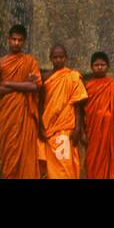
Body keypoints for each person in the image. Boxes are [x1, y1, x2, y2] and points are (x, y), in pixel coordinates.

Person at [0, 25, 42, 178]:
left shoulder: (30, 61)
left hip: (25, 114)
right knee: (9, 152)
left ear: (24, 42)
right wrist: (22, 85)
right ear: (8, 40)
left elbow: (34, 86)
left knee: (26, 153)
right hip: (7, 114)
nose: (16, 43)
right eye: (13, 39)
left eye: (20, 40)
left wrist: (8, 83)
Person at [39, 44, 87, 179]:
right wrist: (40, 127)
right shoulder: (45, 78)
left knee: (66, 165)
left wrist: (78, 127)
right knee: (50, 168)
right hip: (48, 128)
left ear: (66, 58)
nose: (58, 60)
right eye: (55, 57)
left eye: (61, 57)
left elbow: (78, 104)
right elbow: (40, 103)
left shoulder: (73, 76)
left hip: (66, 128)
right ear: (50, 58)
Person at [83, 51, 114, 179]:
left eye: (102, 65)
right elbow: (84, 112)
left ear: (108, 66)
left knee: (112, 165)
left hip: (111, 133)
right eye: (96, 65)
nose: (99, 67)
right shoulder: (87, 88)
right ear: (91, 67)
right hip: (94, 135)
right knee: (92, 164)